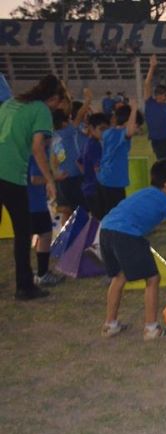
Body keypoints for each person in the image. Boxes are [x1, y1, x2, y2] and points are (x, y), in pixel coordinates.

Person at [99, 160, 166, 340]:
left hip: (106, 230)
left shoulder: (145, 193)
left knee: (119, 276)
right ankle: (151, 328)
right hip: (126, 234)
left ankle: (110, 325)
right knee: (153, 278)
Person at [0, 74, 64, 300]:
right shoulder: (41, 110)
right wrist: (49, 179)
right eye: (58, 103)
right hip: (10, 173)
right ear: (53, 98)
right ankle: (24, 286)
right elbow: (38, 148)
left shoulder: (11, 103)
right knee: (22, 231)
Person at [27, 140, 64, 287]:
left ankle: (28, 272)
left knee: (28, 237)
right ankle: (42, 274)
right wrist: (53, 179)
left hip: (27, 200)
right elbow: (34, 178)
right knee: (45, 234)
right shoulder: (38, 154)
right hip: (34, 203)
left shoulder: (27, 151)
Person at [97, 101, 142, 219]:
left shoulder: (108, 132)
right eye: (137, 124)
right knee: (115, 213)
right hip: (114, 180)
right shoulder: (119, 134)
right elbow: (130, 131)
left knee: (109, 212)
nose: (138, 128)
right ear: (128, 122)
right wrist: (134, 110)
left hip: (106, 178)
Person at [52, 102, 89, 226]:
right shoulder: (67, 132)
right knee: (80, 210)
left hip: (61, 176)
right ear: (64, 123)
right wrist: (88, 100)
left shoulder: (54, 135)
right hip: (74, 175)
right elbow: (79, 115)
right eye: (68, 120)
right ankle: (80, 239)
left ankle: (64, 241)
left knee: (66, 211)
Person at [77, 112, 110, 219]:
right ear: (91, 128)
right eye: (102, 129)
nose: (105, 133)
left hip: (88, 188)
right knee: (102, 221)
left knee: (97, 220)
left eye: (106, 129)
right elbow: (98, 168)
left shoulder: (87, 142)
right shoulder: (94, 145)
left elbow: (78, 162)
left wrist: (87, 175)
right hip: (96, 190)